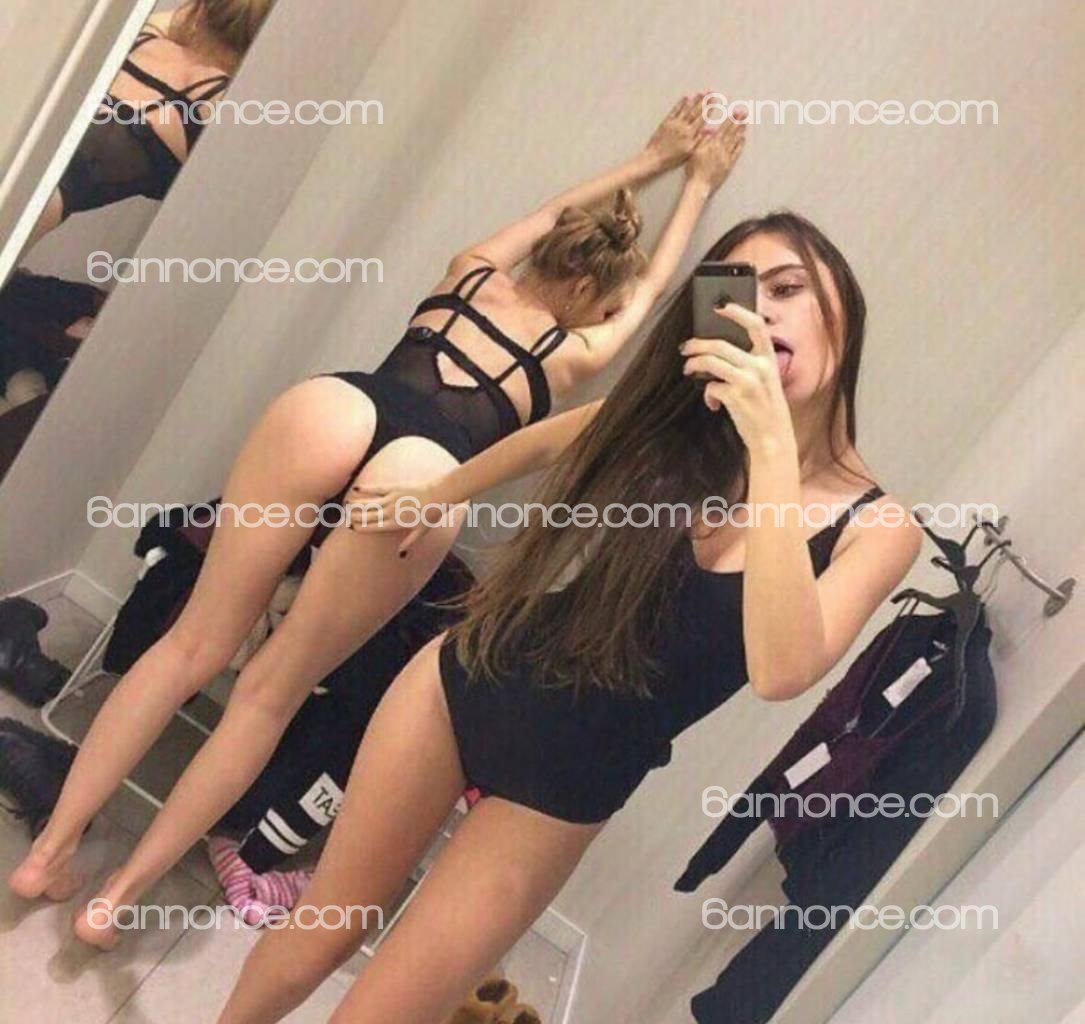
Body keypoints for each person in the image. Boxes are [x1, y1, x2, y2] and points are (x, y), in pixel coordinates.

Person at [8, 96, 749, 952]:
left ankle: (49, 854)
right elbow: (653, 292)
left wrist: (652, 158)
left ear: (552, 251)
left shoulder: (469, 272)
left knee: (189, 647)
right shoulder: (574, 352)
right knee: (269, 693)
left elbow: (551, 211)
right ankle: (114, 903)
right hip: (423, 473)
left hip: (337, 406)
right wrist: (699, 186)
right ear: (589, 291)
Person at [212, 210, 923, 1023]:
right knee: (320, 933)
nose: (761, 312)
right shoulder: (687, 426)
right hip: (469, 678)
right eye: (737, 295)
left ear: (843, 310)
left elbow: (783, 669)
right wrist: (435, 493)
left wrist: (770, 450)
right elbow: (552, 440)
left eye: (788, 289)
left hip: (565, 784)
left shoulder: (878, 527)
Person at [24, 0, 275, 249]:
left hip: (17, 173)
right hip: (28, 216)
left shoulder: (141, 37)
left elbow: (177, 19)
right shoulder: (217, 105)